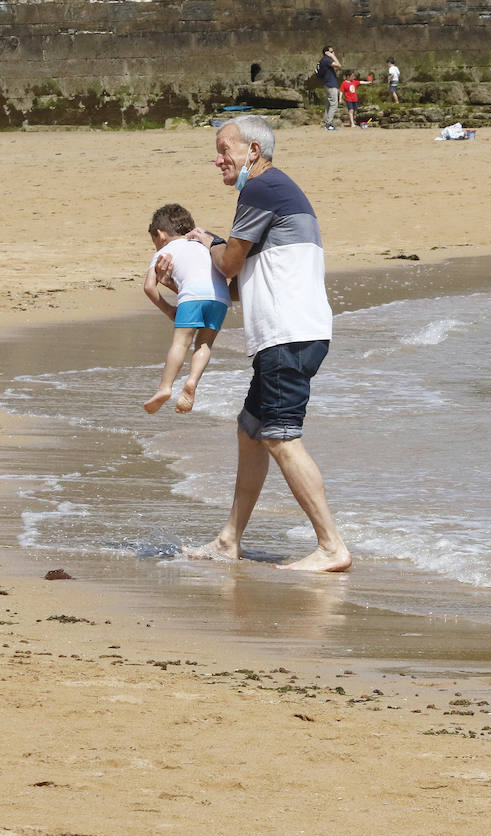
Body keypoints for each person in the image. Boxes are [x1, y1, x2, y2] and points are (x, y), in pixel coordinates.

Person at [167, 115, 351, 572]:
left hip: (289, 335)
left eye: (224, 149)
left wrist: (207, 242)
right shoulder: (274, 193)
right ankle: (230, 539)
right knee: (251, 429)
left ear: (252, 151)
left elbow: (228, 264)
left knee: (280, 437)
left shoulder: (261, 189)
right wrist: (180, 287)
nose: (218, 159)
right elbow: (237, 284)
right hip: (291, 334)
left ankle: (332, 547)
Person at [142, 203, 231, 415]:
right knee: (204, 343)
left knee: (181, 343)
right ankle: (192, 381)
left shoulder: (165, 251)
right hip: (220, 297)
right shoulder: (203, 246)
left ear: (159, 234)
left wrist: (170, 310)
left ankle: (165, 388)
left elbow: (149, 287)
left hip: (191, 297)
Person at [317, 46, 342, 129]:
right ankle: (328, 124)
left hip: (327, 84)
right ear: (327, 53)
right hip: (331, 85)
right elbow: (339, 65)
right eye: (331, 52)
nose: (333, 53)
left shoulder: (323, 61)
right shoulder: (327, 60)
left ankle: (326, 122)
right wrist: (332, 56)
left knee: (328, 105)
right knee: (334, 104)